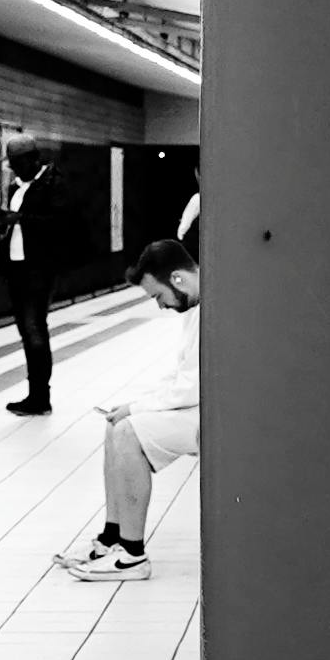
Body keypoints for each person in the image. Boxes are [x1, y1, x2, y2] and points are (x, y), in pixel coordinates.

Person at [54, 238, 197, 580]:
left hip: (217, 415)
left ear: (177, 279)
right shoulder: (197, 309)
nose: (162, 306)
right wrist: (132, 405)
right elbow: (182, 376)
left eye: (158, 296)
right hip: (203, 406)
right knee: (114, 423)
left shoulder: (211, 309)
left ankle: (132, 556)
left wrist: (137, 409)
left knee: (129, 431)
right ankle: (111, 539)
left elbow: (191, 387)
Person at [0, 138, 60, 415]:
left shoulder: (54, 183)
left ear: (32, 159)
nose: (13, 170)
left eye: (16, 164)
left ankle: (40, 396)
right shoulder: (16, 186)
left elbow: (61, 224)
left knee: (35, 329)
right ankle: (34, 393)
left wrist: (19, 219)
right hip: (17, 266)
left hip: (39, 267)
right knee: (26, 330)